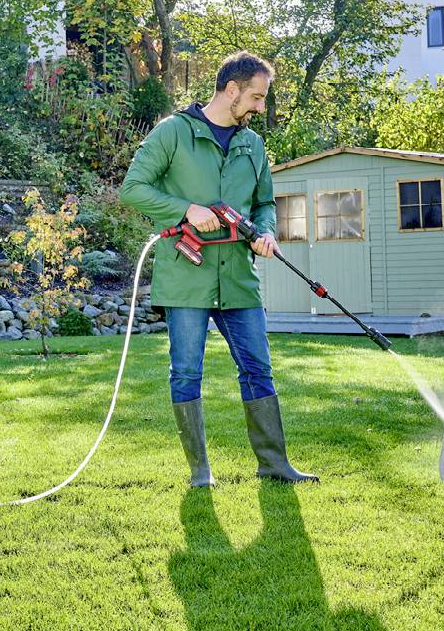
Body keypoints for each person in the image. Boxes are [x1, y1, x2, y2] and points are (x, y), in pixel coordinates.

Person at [119, 52, 316, 486]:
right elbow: (132, 189)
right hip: (186, 275)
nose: (261, 108)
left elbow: (264, 203)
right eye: (257, 98)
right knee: (186, 371)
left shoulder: (253, 145)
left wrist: (266, 232)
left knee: (257, 368)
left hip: (238, 278)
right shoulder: (173, 133)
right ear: (231, 90)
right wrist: (185, 209)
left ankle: (275, 463)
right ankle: (200, 472)